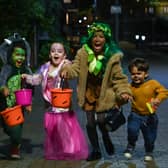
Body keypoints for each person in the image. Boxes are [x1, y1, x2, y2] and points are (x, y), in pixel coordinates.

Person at [61, 22, 132, 161]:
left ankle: (105, 137)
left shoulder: (112, 56)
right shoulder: (83, 53)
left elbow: (119, 78)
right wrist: (66, 71)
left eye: (101, 36)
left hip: (104, 94)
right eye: (94, 36)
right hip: (88, 92)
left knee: (101, 121)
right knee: (90, 123)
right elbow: (75, 68)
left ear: (106, 39)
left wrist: (124, 91)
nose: (97, 39)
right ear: (90, 38)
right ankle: (96, 150)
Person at [22, 42, 89, 160]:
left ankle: (70, 149)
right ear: (49, 54)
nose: (56, 53)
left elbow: (71, 70)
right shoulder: (45, 68)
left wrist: (67, 69)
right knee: (50, 128)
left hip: (62, 104)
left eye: (59, 51)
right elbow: (37, 80)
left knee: (65, 128)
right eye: (53, 51)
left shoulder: (65, 64)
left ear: (64, 55)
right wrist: (27, 77)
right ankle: (57, 149)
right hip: (49, 104)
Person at [124, 57, 168, 161]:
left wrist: (158, 99)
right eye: (133, 74)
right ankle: (130, 146)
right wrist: (123, 97)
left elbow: (164, 92)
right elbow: (122, 96)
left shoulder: (153, 83)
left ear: (146, 74)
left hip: (150, 116)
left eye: (139, 73)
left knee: (150, 137)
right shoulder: (130, 86)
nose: (136, 76)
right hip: (135, 114)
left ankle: (149, 151)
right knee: (132, 130)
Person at [0, 33, 33, 159]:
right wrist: (3, 88)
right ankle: (11, 134)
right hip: (6, 104)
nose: (21, 58)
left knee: (17, 128)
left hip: (20, 106)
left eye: (23, 55)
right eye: (17, 54)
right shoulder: (7, 69)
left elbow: (31, 87)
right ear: (10, 55)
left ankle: (15, 148)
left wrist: (29, 102)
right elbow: (1, 81)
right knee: (8, 127)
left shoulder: (26, 70)